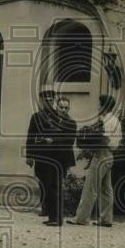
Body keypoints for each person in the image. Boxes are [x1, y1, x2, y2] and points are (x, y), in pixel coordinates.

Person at [67, 94, 122, 227]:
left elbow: (104, 139)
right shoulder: (115, 120)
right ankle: (106, 219)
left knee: (90, 187)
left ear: (104, 106)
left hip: (102, 154)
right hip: (110, 155)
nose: (98, 107)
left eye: (100, 104)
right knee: (106, 189)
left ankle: (81, 218)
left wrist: (88, 141)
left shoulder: (107, 121)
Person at [26, 87, 76, 226]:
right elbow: (30, 137)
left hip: (57, 158)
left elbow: (67, 138)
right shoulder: (36, 117)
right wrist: (29, 156)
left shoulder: (60, 117)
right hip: (41, 157)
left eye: (50, 99)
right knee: (45, 185)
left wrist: (52, 140)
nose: (48, 102)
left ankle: (55, 217)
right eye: (45, 100)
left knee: (54, 187)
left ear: (53, 101)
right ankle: (49, 212)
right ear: (41, 101)